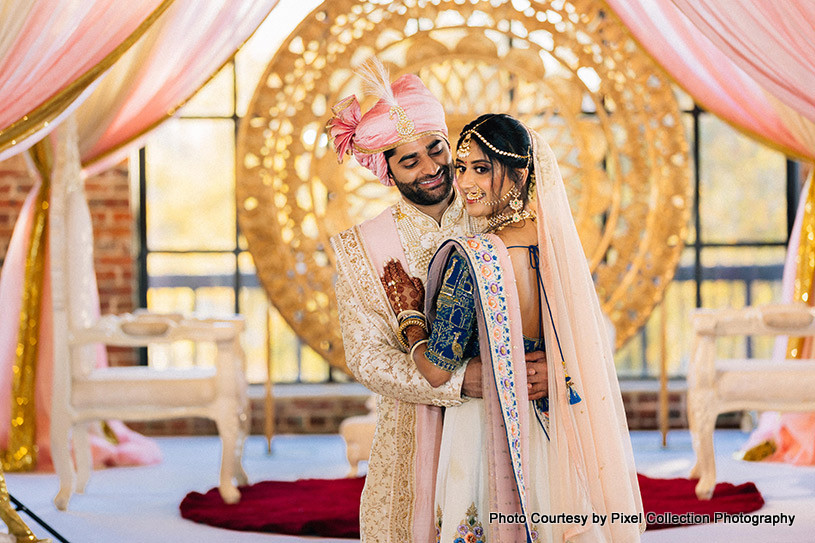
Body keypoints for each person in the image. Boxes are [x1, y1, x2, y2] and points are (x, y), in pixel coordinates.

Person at [380, 114, 645, 542]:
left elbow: (436, 370)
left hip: (486, 432)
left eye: (482, 169)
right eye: (461, 167)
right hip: (551, 430)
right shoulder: (554, 242)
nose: (465, 182)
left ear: (520, 175)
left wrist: (410, 319)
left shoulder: (475, 257)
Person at [328, 64, 548, 542]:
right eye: (410, 161)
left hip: (513, 421)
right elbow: (366, 356)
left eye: (436, 149)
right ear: (386, 169)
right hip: (410, 432)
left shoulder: (498, 214)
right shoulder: (361, 248)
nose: (431, 168)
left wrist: (555, 367)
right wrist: (461, 381)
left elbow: (553, 310)